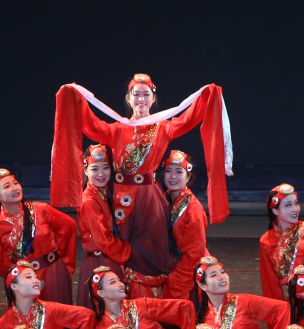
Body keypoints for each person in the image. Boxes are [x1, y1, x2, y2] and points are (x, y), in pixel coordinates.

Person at [50, 74, 234, 281]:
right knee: (123, 253)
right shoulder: (116, 130)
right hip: (119, 198)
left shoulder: (163, 128)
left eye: (146, 94)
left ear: (153, 99)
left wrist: (208, 95)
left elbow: (189, 118)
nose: (141, 99)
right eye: (136, 94)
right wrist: (73, 97)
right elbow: (89, 124)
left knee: (152, 254)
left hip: (150, 199)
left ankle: (157, 296)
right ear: (128, 98)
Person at [0, 168, 77, 304]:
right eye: (7, 186)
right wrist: (15, 276)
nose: (14, 188)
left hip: (52, 271)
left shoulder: (41, 209)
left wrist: (63, 261)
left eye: (15, 183)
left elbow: (69, 226)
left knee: (57, 312)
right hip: (24, 279)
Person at [192, 256, 289, 329]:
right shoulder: (203, 316)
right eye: (213, 275)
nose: (221, 277)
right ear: (202, 285)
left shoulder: (245, 302)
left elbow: (283, 310)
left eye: (222, 272)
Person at [0, 262, 97, 329]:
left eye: (36, 277)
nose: (36, 281)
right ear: (14, 286)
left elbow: (87, 316)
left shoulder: (51, 309)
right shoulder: (5, 322)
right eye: (28, 277)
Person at [76, 144, 132, 311]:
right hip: (101, 262)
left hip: (108, 258)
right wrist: (129, 251)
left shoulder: (103, 192)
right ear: (85, 171)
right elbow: (103, 240)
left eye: (105, 168)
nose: (101, 174)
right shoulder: (89, 201)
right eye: (95, 169)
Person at [161, 150, 209, 300]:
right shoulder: (163, 198)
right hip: (171, 267)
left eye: (178, 172)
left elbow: (195, 252)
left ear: (188, 177)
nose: (172, 176)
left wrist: (176, 279)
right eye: (168, 171)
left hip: (186, 271)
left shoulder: (193, 209)